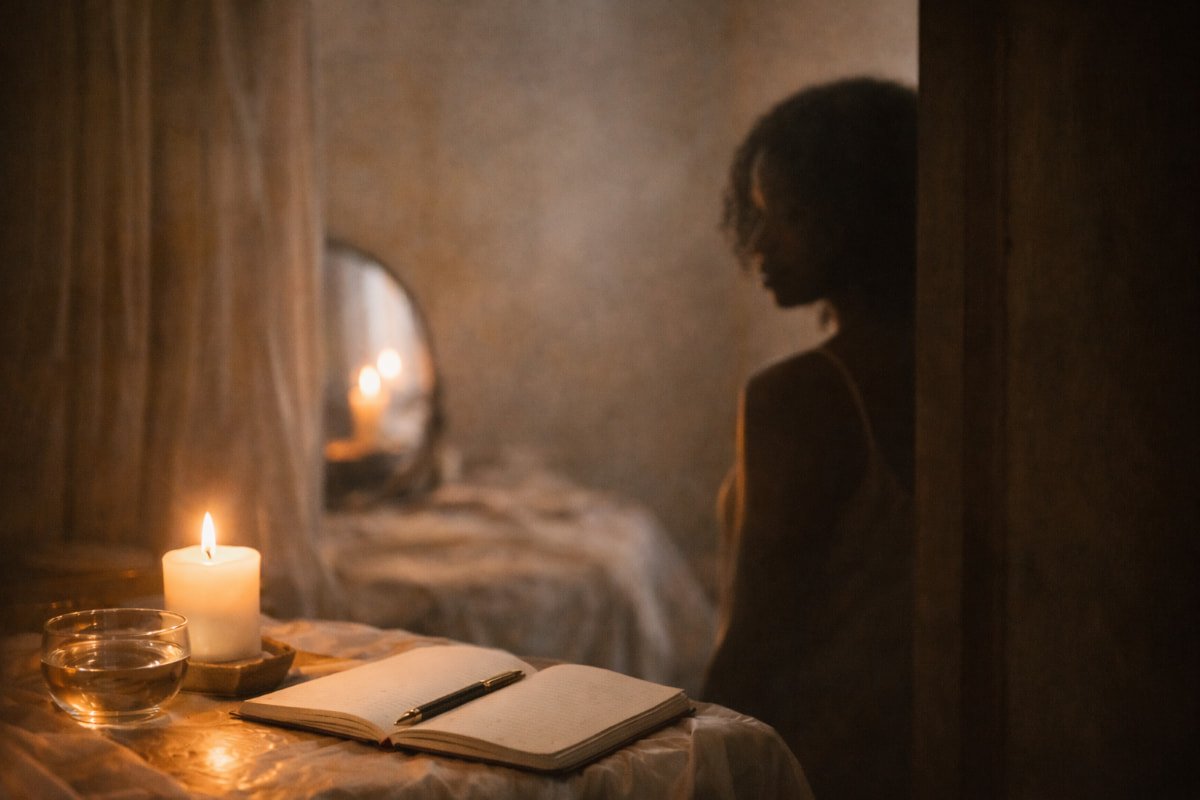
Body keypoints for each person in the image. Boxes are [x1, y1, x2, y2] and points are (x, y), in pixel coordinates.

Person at [701, 77, 917, 799]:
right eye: (759, 214)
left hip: (809, 767)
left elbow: (755, 654)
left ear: (860, 219)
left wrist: (694, 767)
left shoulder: (801, 398)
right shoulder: (972, 369)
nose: (760, 242)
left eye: (788, 216)